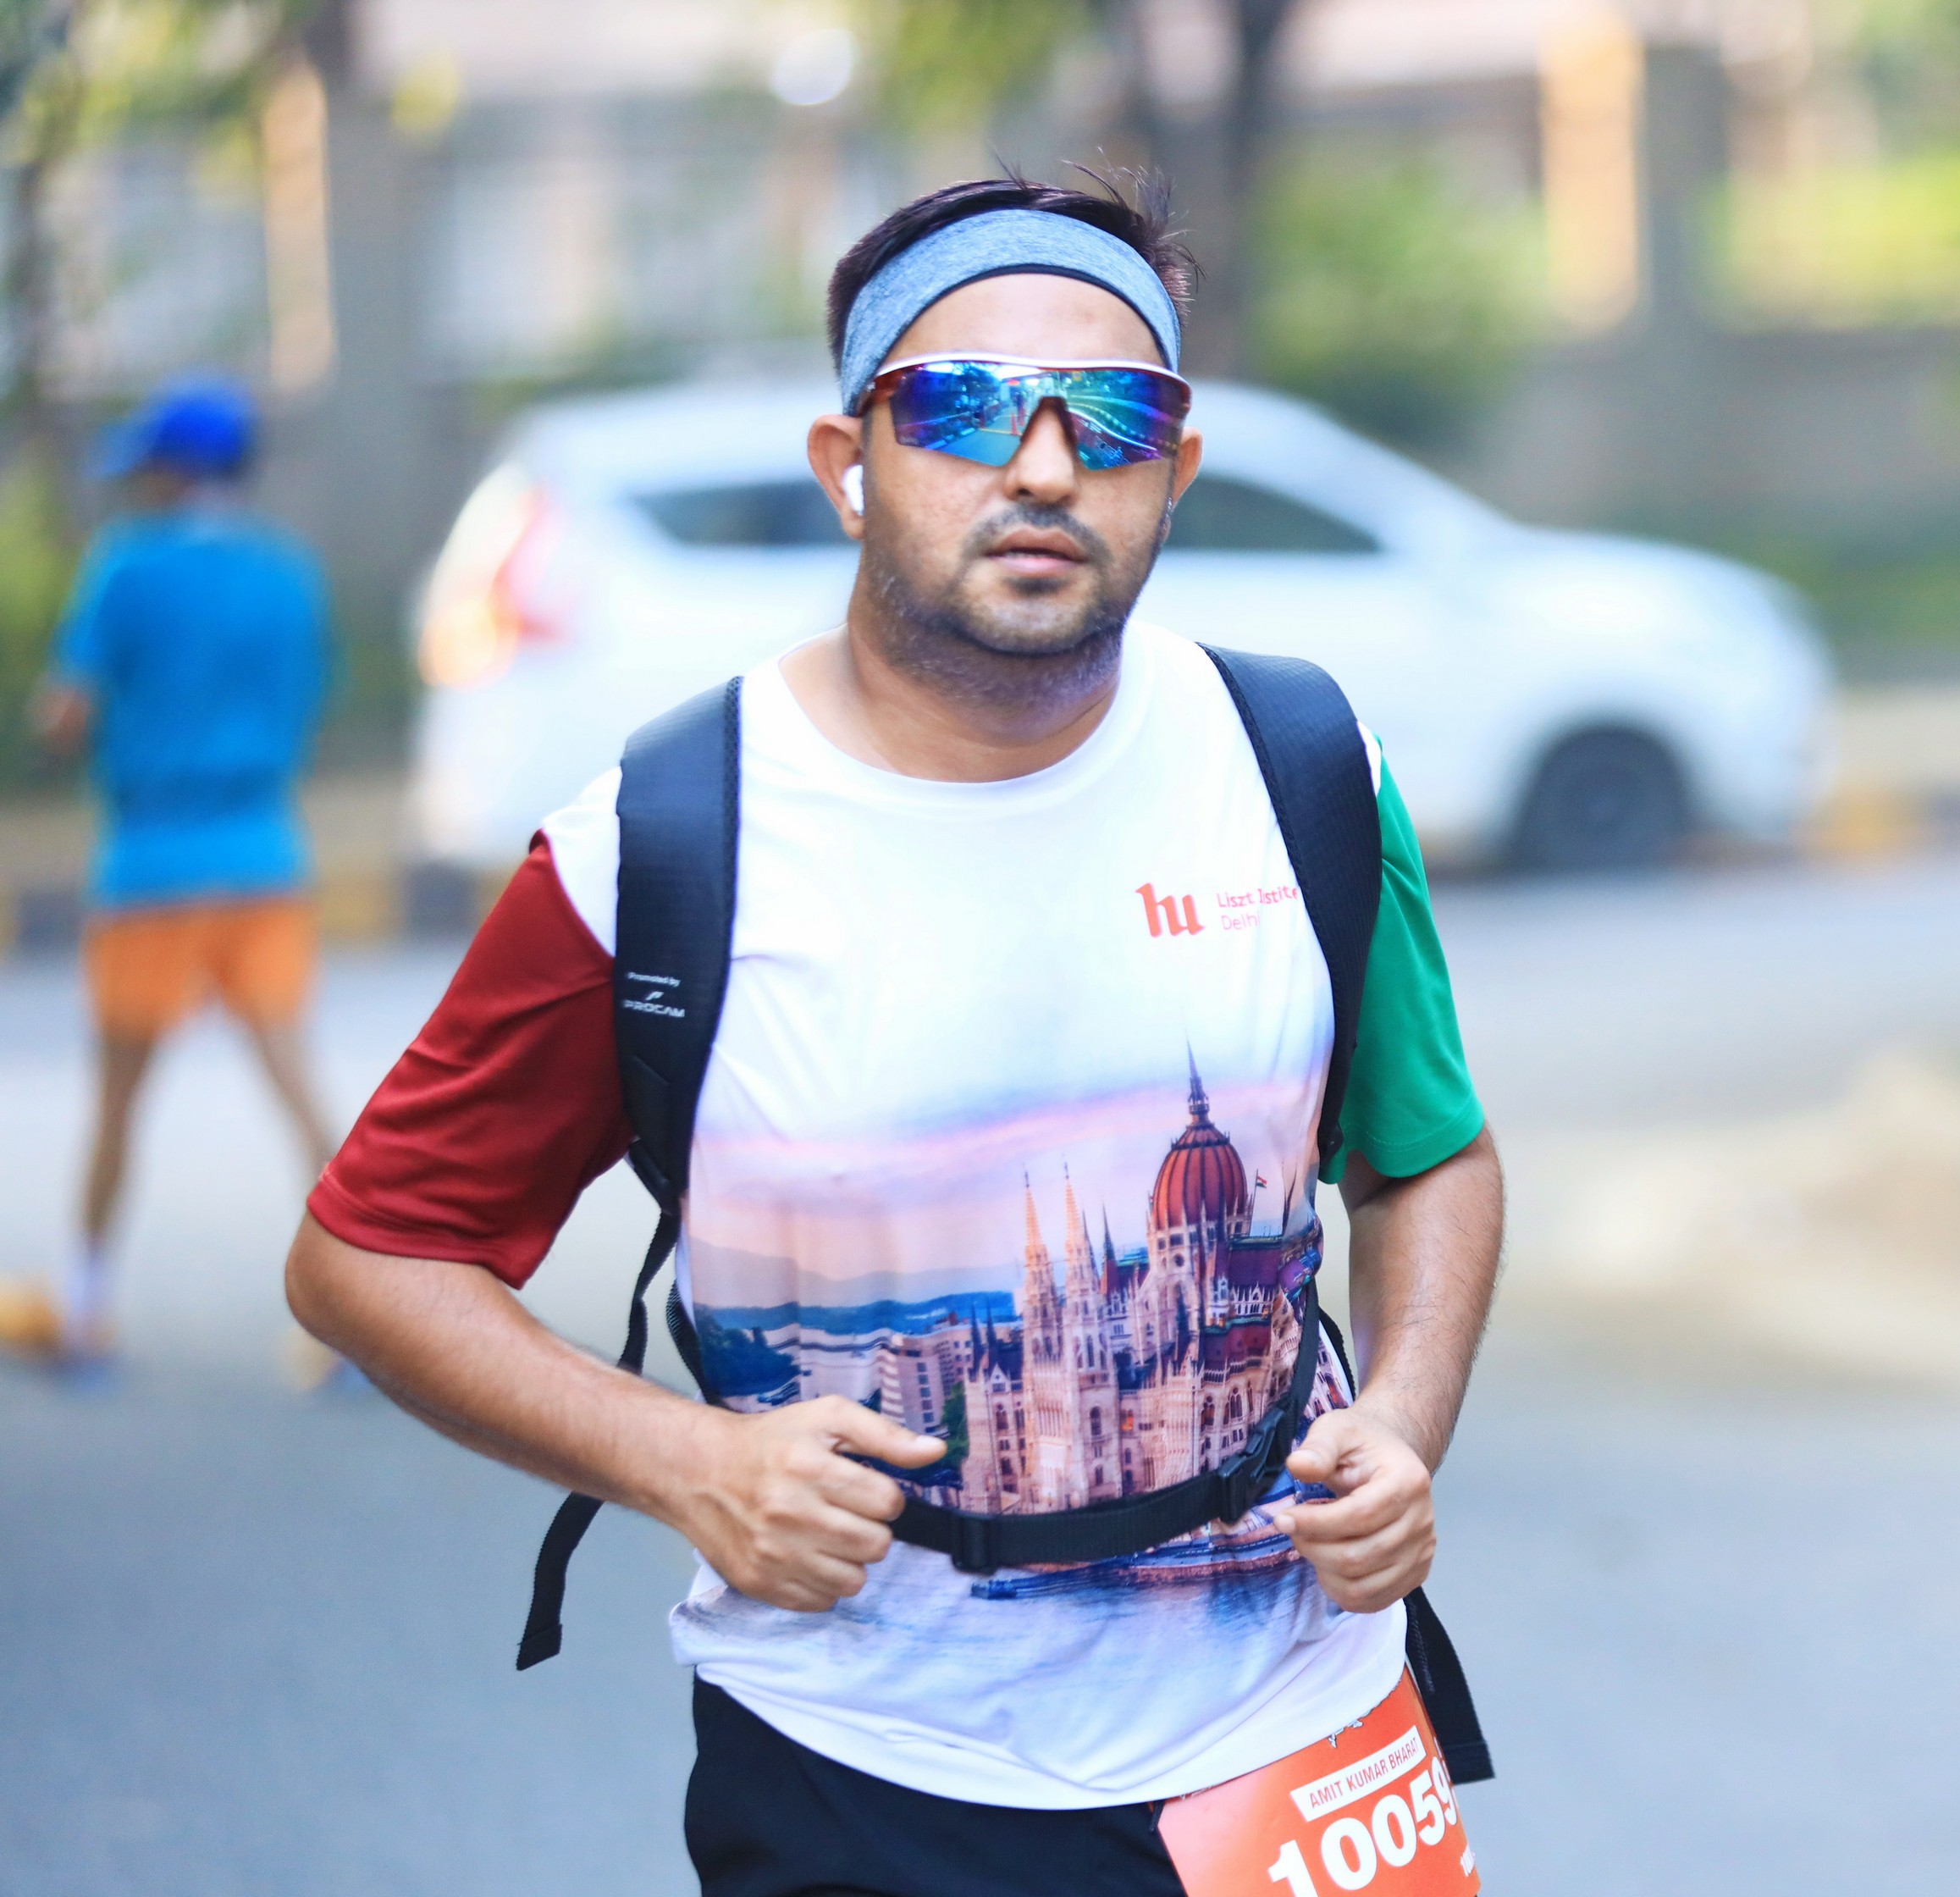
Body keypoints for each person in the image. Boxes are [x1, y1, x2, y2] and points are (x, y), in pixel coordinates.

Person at [285, 172, 1505, 1896]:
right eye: (961, 406)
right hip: (870, 1772)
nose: (1044, 466)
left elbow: (1429, 1153)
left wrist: (1404, 1414)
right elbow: (368, 1256)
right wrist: (688, 1461)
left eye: (1113, 415)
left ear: (1176, 469)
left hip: (1306, 1750)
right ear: (846, 460)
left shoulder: (1302, 765)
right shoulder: (667, 844)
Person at [0, 376, 332, 1367]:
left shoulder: (125, 567)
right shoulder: (288, 573)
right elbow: (303, 703)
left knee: (118, 1100)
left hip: (149, 865)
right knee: (300, 1092)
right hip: (264, 856)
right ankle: (366, 1315)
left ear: (173, 470)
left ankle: (85, 1305)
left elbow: (68, 711)